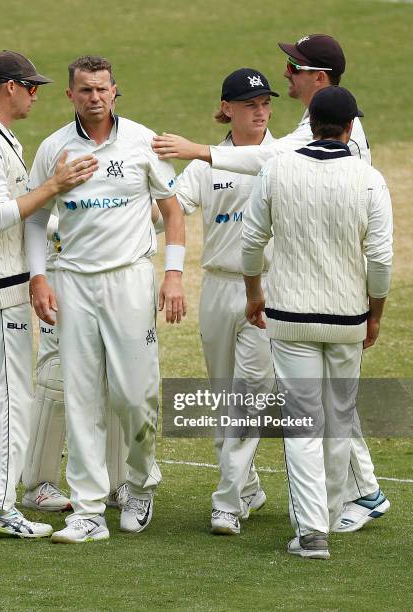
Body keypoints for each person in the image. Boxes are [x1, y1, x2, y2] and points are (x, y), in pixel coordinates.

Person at [152, 34, 390, 532]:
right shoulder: (311, 125)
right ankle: (352, 491)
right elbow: (170, 209)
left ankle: (258, 503)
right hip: (249, 290)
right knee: (273, 398)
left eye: (294, 68)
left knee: (285, 398)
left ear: (318, 78)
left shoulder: (310, 136)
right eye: (251, 103)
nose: (285, 76)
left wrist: (198, 150)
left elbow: (270, 165)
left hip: (298, 288)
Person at [25, 55, 186, 543]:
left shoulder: (142, 141)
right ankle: (89, 510)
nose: (94, 97)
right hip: (73, 282)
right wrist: (38, 277)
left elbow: (173, 213)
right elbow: (34, 218)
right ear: (70, 95)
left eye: (102, 89)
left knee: (136, 395)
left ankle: (139, 484)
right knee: (81, 396)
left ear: (116, 91)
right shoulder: (54, 147)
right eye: (84, 90)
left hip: (130, 281)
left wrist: (173, 275)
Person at [0, 51, 98, 538]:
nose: (36, 94)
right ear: (9, 87)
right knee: (12, 397)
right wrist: (54, 185)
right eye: (31, 87)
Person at [241, 85, 393, 558]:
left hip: (289, 319)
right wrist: (375, 317)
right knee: (338, 419)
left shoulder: (277, 169)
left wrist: (254, 295)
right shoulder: (370, 179)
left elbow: (251, 244)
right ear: (350, 128)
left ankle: (311, 531)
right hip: (348, 317)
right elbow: (381, 261)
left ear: (310, 121)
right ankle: (324, 517)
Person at [153, 68, 277, 535]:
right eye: (250, 104)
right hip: (219, 288)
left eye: (266, 103)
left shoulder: (283, 156)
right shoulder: (204, 166)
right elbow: (169, 212)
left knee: (251, 396)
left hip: (267, 291)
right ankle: (245, 486)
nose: (260, 111)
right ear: (227, 108)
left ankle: (225, 502)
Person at [21, 210, 129, 512]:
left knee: (118, 372)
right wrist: (69, 230)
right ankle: (37, 484)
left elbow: (154, 215)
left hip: (117, 273)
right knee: (57, 375)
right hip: (62, 272)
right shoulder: (58, 160)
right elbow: (36, 211)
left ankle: (118, 483)